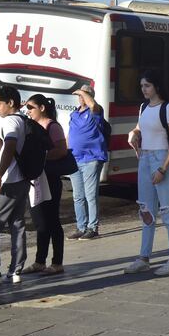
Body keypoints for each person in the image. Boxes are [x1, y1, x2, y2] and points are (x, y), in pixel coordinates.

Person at [124, 71, 169, 275]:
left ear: (156, 86)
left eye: (147, 85)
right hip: (144, 158)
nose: (144, 89)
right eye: (142, 85)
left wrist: (163, 168)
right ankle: (144, 257)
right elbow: (140, 128)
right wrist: (134, 133)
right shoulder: (143, 107)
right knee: (146, 211)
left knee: (168, 211)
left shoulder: (168, 108)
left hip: (161, 158)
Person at [21, 94, 67, 276]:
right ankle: (40, 261)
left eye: (31, 107)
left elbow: (62, 150)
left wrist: (40, 157)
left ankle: (57, 262)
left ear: (42, 108)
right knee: (40, 222)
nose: (28, 111)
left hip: (50, 179)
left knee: (52, 220)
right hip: (36, 179)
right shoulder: (30, 126)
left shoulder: (52, 126)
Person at [0, 85, 29, 284]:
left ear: (10, 103)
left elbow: (10, 147)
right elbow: (2, 146)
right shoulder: (22, 120)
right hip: (22, 179)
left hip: (9, 180)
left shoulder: (11, 121)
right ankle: (15, 271)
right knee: (17, 224)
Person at [67, 84, 107, 240]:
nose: (81, 97)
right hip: (75, 159)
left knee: (90, 195)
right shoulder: (74, 114)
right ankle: (81, 227)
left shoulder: (95, 111)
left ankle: (93, 227)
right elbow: (70, 134)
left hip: (92, 158)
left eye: (84, 95)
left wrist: (81, 91)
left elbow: (92, 105)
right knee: (78, 196)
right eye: (80, 95)